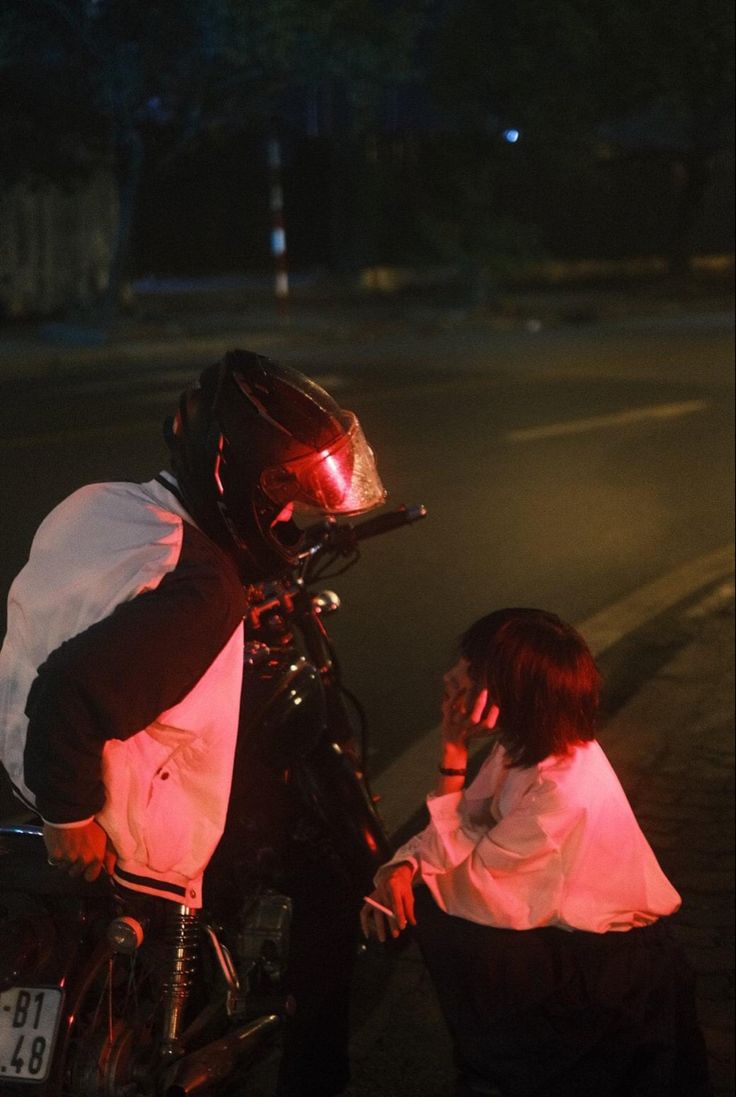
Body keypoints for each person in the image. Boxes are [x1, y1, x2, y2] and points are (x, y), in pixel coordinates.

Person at [0, 348, 386, 1097]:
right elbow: (71, 689)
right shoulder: (208, 587)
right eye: (282, 491)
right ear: (237, 476)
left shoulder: (98, 503)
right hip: (108, 814)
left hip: (16, 765)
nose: (287, 513)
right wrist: (70, 810)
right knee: (333, 883)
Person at [361, 608, 712, 1097]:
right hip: (580, 950)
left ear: (502, 694)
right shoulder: (528, 746)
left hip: (609, 975)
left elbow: (471, 885)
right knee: (421, 896)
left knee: (436, 915)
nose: (451, 676)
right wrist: (403, 866)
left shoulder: (560, 789)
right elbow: (466, 825)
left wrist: (454, 753)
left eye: (471, 669)